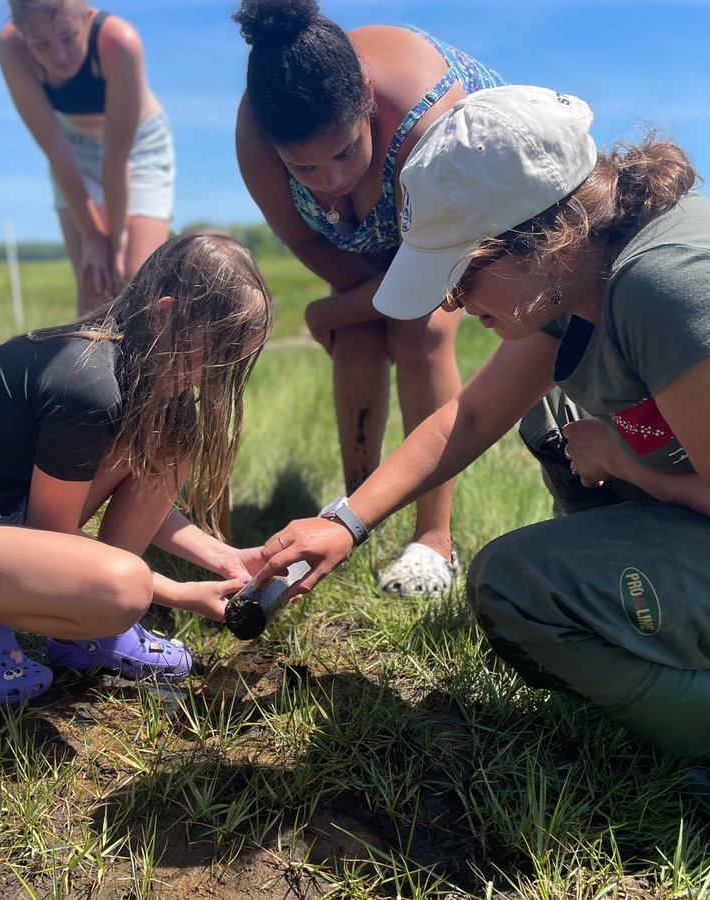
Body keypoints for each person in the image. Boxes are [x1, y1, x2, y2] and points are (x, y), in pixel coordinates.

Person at [254, 85, 710, 838]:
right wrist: (346, 523)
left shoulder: (667, 282)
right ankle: (667, 644)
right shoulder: (591, 270)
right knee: (551, 417)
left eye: (460, 278)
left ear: (537, 240)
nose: (451, 306)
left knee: (518, 586)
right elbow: (474, 413)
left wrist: (629, 464)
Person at [0, 233, 273, 704]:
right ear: (165, 315)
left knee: (171, 441)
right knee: (126, 589)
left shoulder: (131, 370)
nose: (219, 376)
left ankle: (87, 633)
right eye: (217, 356)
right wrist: (179, 592)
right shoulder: (88, 386)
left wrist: (224, 558)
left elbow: (122, 505)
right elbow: (51, 532)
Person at [233, 0, 504, 597]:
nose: (330, 181)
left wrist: (326, 311)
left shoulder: (427, 120)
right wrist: (347, 309)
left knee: (421, 333)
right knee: (357, 339)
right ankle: (354, 515)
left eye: (345, 153)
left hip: (455, 224)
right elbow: (304, 234)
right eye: (304, 168)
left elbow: (437, 274)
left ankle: (434, 542)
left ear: (367, 101)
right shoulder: (257, 136)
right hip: (377, 239)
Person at [0, 0, 175, 315]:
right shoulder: (11, 48)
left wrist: (115, 238)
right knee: (95, 283)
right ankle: (83, 364)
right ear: (23, 35)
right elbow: (56, 150)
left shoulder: (120, 42)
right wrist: (92, 236)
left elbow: (116, 156)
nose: (60, 56)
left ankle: (147, 364)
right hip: (72, 146)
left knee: (137, 284)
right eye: (42, 44)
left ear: (88, 18)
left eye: (68, 38)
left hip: (139, 144)